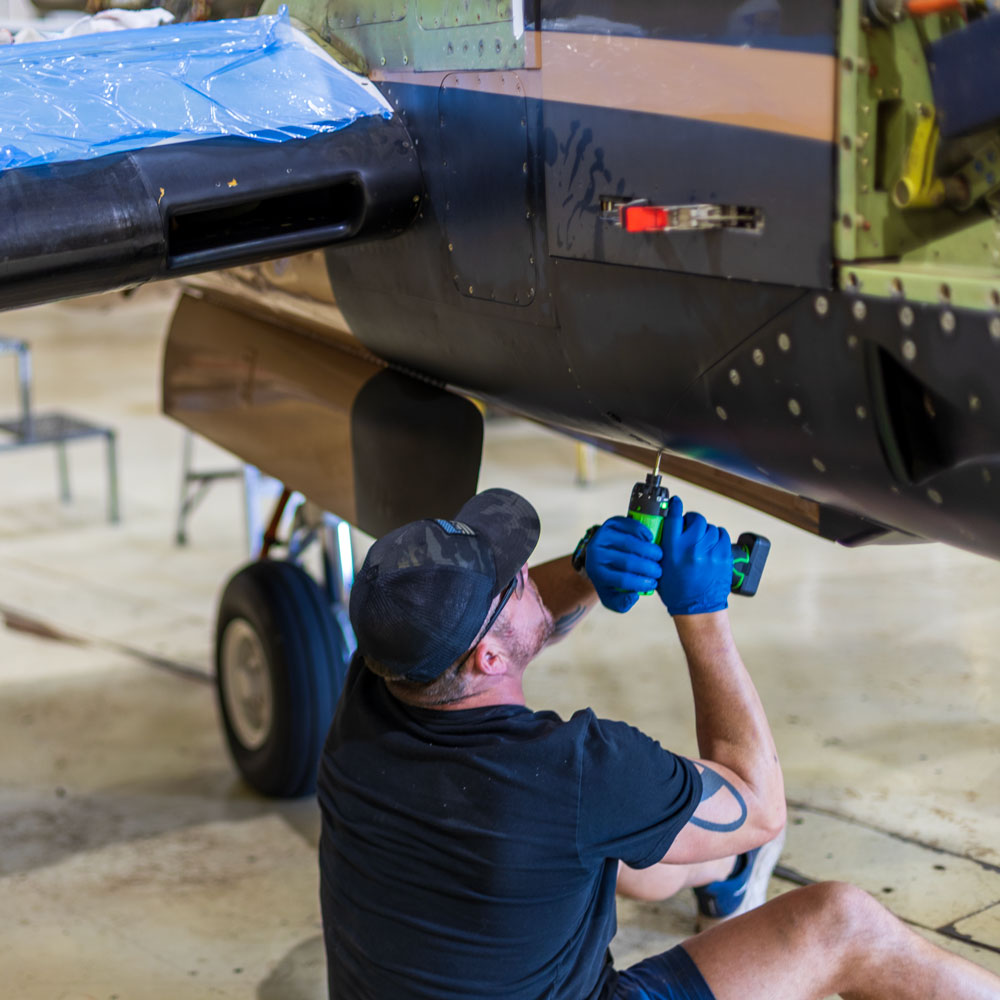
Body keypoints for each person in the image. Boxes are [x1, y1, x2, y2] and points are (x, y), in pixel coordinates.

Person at [317, 487, 1000, 1000]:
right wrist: (702, 613)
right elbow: (759, 806)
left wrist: (586, 569)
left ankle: (726, 878)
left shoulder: (373, 688)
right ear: (489, 661)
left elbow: (489, 637)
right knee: (842, 923)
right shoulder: (574, 771)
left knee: (619, 852)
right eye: (516, 579)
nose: (530, 571)